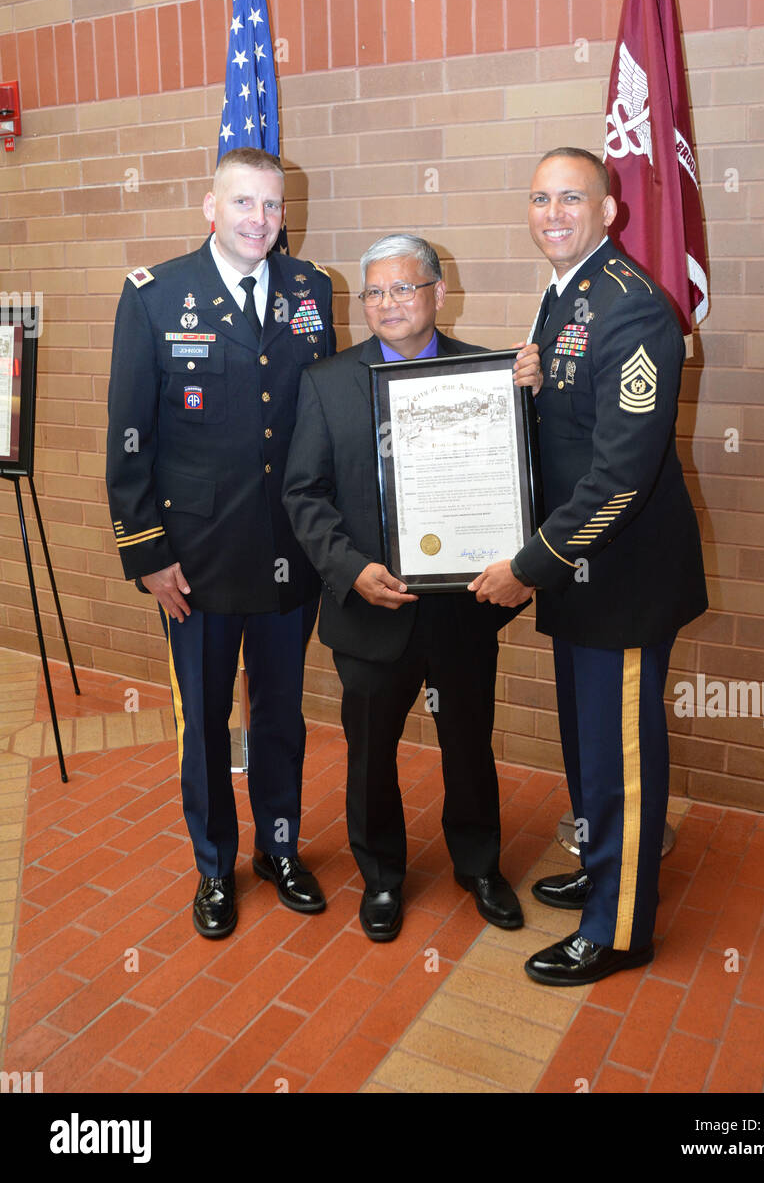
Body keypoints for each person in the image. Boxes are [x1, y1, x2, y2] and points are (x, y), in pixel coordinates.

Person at [470, 148, 707, 986]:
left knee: (622, 761)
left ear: (609, 212)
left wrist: (528, 565)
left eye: (572, 197)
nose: (553, 211)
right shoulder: (566, 294)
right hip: (579, 571)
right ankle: (602, 863)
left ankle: (617, 930)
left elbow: (621, 477)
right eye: (539, 197)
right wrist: (532, 390)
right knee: (587, 746)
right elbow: (578, 424)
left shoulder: (634, 310)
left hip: (621, 578)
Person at [282, 234, 541, 942]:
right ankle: (383, 878)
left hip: (463, 609)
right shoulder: (328, 382)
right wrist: (349, 570)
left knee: (468, 742)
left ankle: (480, 867)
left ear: (437, 293)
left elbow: (519, 478)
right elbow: (304, 494)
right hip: (369, 610)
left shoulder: (488, 375)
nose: (388, 303)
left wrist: (534, 395)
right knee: (370, 754)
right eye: (375, 292)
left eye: (403, 288)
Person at [105, 147, 336, 939]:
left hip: (288, 549)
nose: (259, 221)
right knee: (205, 720)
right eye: (243, 204)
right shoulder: (155, 296)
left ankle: (278, 849)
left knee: (280, 714)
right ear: (211, 206)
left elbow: (321, 417)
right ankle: (213, 868)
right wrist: (148, 555)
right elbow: (128, 438)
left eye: (272, 207)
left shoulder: (310, 290)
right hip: (195, 562)